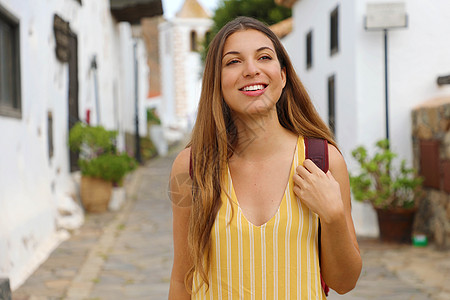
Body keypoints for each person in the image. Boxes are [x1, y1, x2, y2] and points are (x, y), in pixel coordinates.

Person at [168, 16, 362, 299]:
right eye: (233, 62)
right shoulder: (190, 167)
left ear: (282, 75)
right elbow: (181, 279)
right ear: (217, 82)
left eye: (264, 57)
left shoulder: (322, 161)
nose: (251, 70)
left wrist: (333, 217)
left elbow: (344, 282)